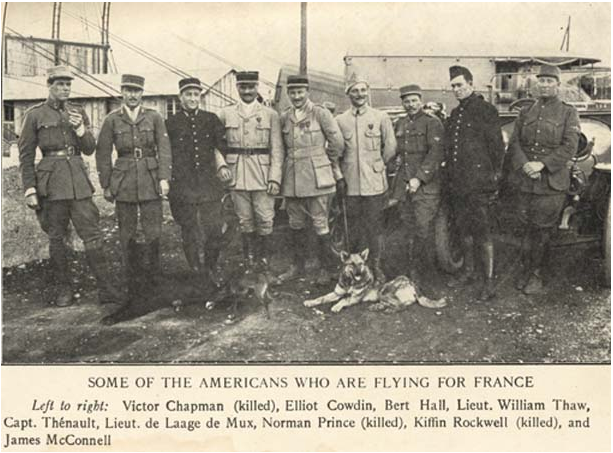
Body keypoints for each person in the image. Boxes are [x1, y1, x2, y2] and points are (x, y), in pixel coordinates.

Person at [17, 65, 120, 307]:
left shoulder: (78, 112)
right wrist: (30, 189)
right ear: (49, 85)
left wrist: (80, 129)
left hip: (78, 183)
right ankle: (64, 288)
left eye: (68, 84)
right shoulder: (35, 115)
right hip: (51, 185)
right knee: (56, 237)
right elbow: (25, 155)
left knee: (92, 234)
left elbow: (89, 148)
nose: (65, 89)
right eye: (59, 84)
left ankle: (106, 288)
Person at [96, 74, 172, 300]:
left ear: (142, 93)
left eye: (136, 91)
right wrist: (107, 184)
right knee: (126, 232)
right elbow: (102, 153)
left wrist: (164, 178)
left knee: (153, 231)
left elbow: (164, 148)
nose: (132, 95)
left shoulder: (155, 117)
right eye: (128, 90)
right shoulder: (112, 119)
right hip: (124, 179)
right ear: (122, 92)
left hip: (150, 177)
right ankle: (132, 281)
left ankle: (154, 278)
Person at [507, 64, 580, 295]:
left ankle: (537, 274)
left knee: (542, 230)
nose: (545, 85)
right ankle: (526, 270)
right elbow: (514, 142)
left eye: (550, 81)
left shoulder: (569, 112)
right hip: (525, 180)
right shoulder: (526, 111)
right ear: (536, 84)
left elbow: (570, 146)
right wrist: (525, 164)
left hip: (551, 183)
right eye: (541, 81)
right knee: (524, 227)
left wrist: (543, 165)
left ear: (558, 85)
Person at [445, 65, 505, 301]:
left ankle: (488, 283)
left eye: (460, 85)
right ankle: (469, 272)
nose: (456, 90)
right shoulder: (456, 114)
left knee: (482, 234)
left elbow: (497, 149)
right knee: (463, 230)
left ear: (471, 84)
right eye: (453, 86)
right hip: (458, 185)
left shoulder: (485, 111)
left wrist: (493, 179)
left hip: (479, 185)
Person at [166, 77, 232, 288]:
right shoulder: (170, 123)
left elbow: (221, 145)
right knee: (189, 228)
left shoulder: (211, 119)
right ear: (180, 97)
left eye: (196, 94)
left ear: (200, 97)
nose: (192, 98)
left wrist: (221, 164)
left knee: (213, 228)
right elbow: (165, 154)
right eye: (188, 94)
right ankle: (195, 270)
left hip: (208, 185)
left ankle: (210, 268)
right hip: (182, 186)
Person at [277, 75, 344, 284]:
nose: (297, 96)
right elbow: (281, 147)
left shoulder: (320, 113)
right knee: (295, 224)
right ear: (288, 94)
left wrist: (324, 161)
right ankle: (297, 267)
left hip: (317, 178)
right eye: (293, 92)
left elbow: (337, 143)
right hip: (293, 179)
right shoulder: (284, 117)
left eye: (300, 92)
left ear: (308, 92)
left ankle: (329, 268)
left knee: (320, 224)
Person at [217, 71, 284, 276]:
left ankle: (264, 261)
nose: (247, 91)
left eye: (251, 87)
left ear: (257, 88)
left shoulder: (270, 115)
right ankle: (249, 261)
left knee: (265, 219)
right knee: (244, 220)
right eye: (243, 87)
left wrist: (274, 177)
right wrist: (221, 166)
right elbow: (215, 145)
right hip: (236, 174)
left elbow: (278, 149)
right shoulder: (225, 114)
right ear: (237, 88)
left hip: (263, 175)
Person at [335, 76, 397, 283]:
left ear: (367, 91)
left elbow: (390, 148)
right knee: (352, 229)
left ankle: (376, 266)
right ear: (348, 94)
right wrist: (340, 176)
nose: (359, 94)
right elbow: (334, 151)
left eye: (363, 90)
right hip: (351, 184)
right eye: (354, 91)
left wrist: (377, 165)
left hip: (374, 183)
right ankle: (353, 270)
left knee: (375, 227)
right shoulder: (340, 121)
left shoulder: (380, 117)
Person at [391, 84, 445, 293]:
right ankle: (412, 273)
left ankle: (428, 279)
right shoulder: (401, 123)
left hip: (425, 187)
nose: (410, 104)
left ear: (420, 100)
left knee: (424, 231)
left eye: (414, 100)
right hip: (404, 186)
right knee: (408, 229)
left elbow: (435, 154)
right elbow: (398, 154)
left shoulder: (432, 123)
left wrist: (419, 179)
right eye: (406, 101)